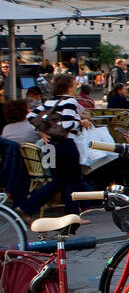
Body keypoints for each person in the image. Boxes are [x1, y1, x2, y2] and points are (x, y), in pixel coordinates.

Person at [23, 73, 91, 219]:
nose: (76, 87)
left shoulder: (51, 101)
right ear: (69, 86)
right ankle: (72, 217)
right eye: (74, 85)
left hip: (51, 145)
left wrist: (44, 131)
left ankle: (27, 207)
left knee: (59, 180)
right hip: (66, 145)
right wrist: (81, 123)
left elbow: (31, 116)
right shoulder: (70, 101)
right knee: (72, 180)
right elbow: (67, 124)